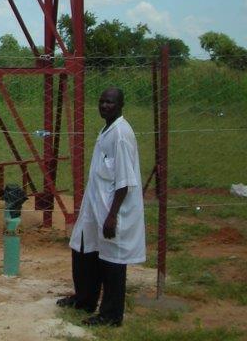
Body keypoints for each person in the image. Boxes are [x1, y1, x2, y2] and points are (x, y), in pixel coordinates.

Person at [57, 87, 145, 327]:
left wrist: (112, 216)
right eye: (102, 101)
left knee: (112, 261)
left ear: (121, 105)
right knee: (82, 247)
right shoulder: (107, 129)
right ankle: (85, 299)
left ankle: (111, 315)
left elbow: (124, 181)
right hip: (95, 205)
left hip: (112, 209)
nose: (105, 106)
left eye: (110, 102)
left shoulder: (121, 135)